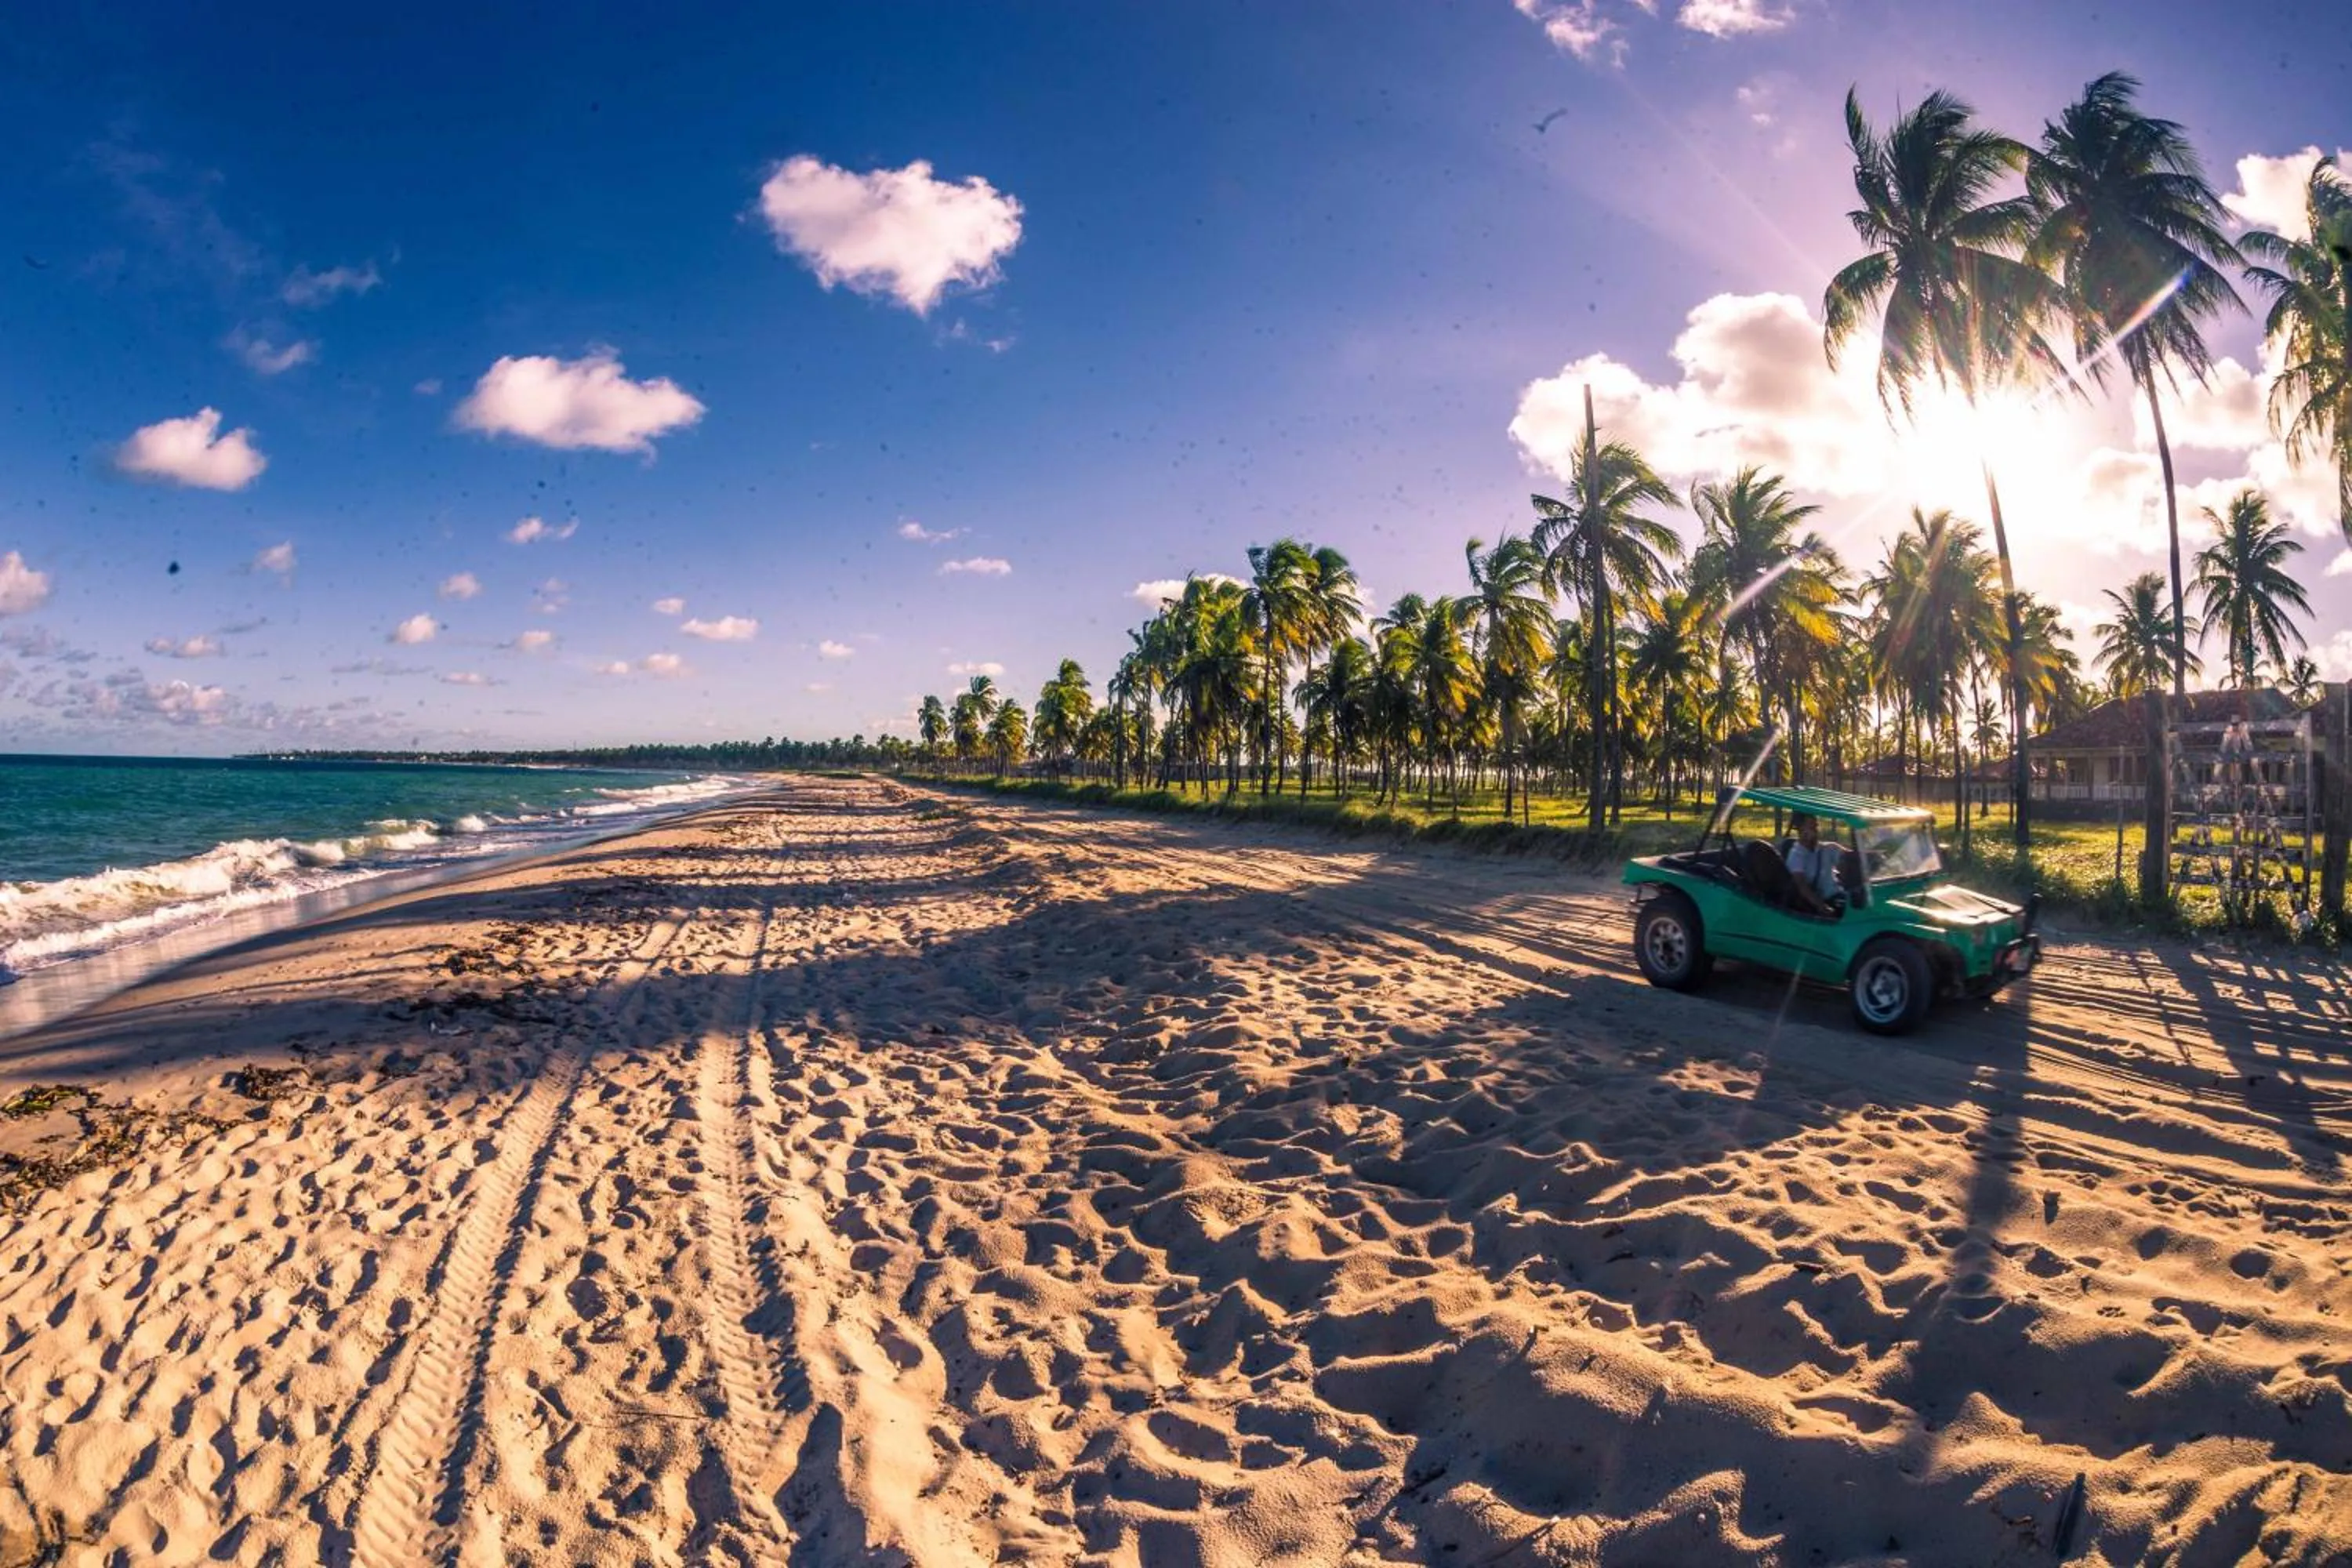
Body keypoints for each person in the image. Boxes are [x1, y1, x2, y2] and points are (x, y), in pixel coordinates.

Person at [1784, 811, 1843, 915]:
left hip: (1842, 896)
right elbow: (1802, 887)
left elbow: (1851, 858)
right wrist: (1822, 907)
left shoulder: (1828, 848)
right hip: (1825, 904)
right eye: (1811, 827)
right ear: (1801, 829)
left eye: (1816, 826)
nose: (1816, 831)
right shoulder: (1796, 857)